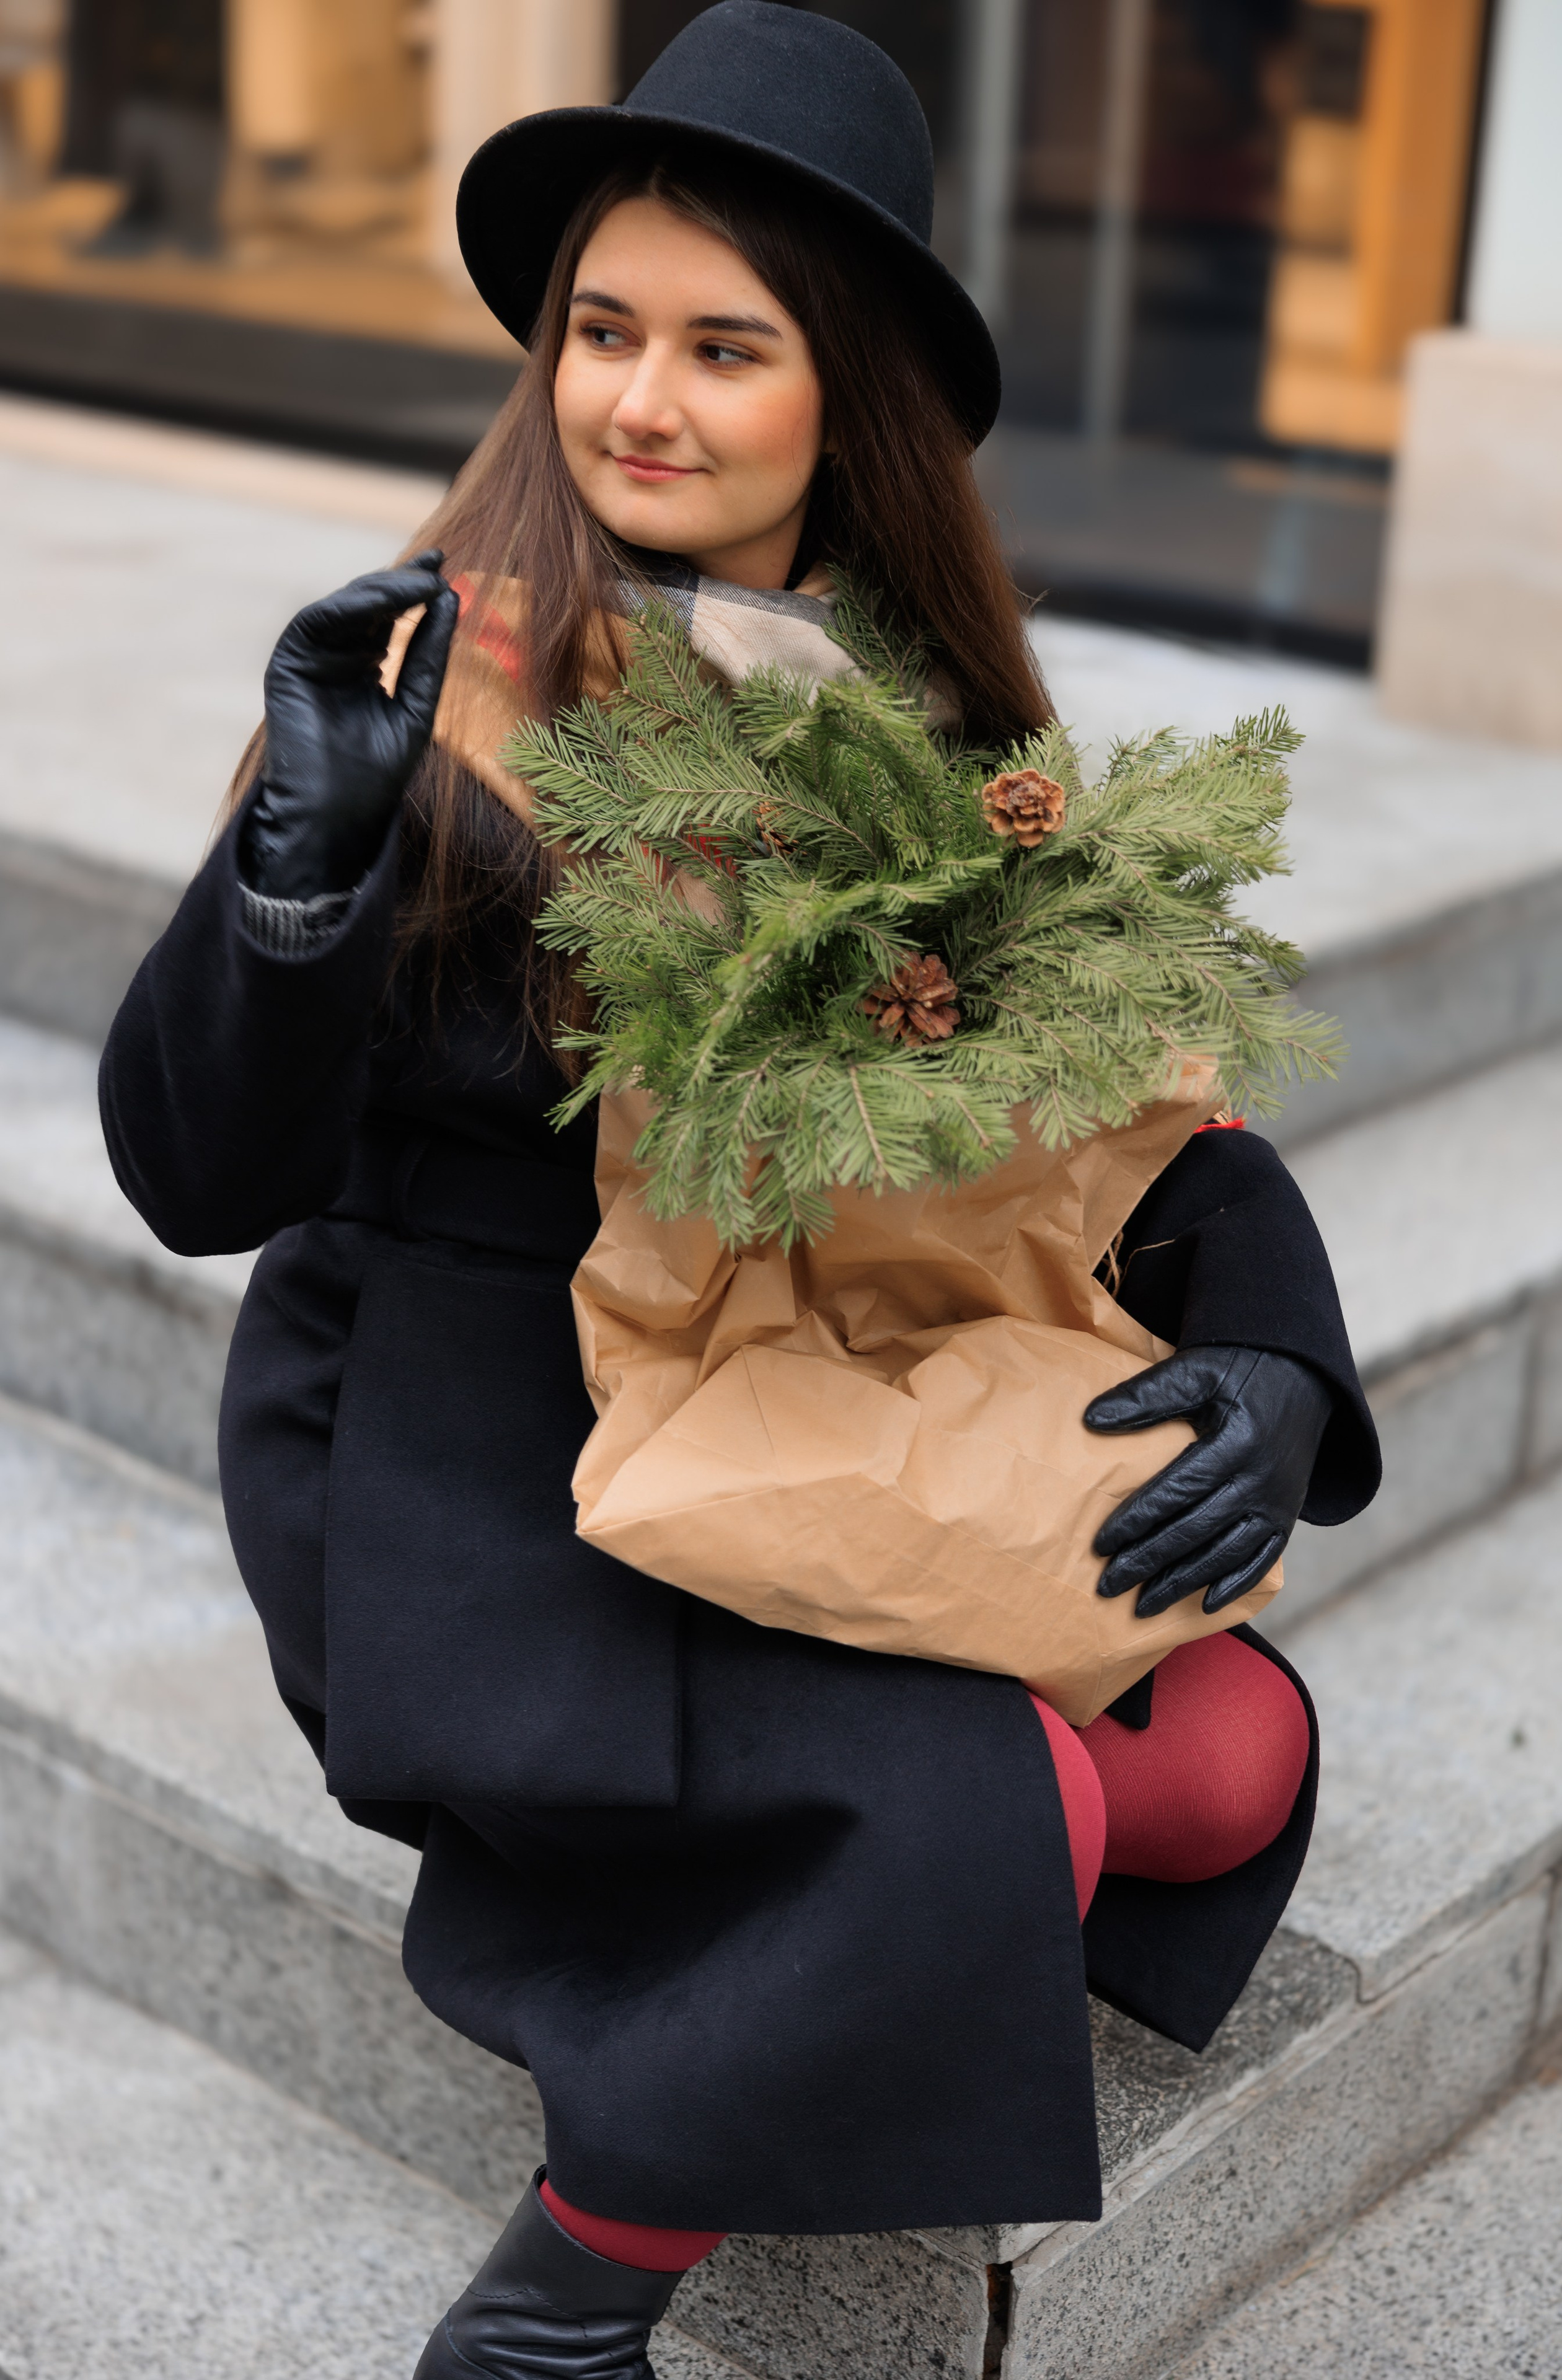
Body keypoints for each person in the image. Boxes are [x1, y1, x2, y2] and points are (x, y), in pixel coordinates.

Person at [99, 9, 1379, 2375]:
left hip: (812, 1387)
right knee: (1004, 1819)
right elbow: (198, 1175)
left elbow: (1132, 1110)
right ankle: (572, 2294)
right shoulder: (445, 689)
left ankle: (856, 1914)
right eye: (600, 330)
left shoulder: (931, 728)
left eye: (723, 345)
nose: (637, 401)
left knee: (1235, 1760)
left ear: (846, 392)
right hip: (476, 1454)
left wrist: (1284, 1361)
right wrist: (297, 886)